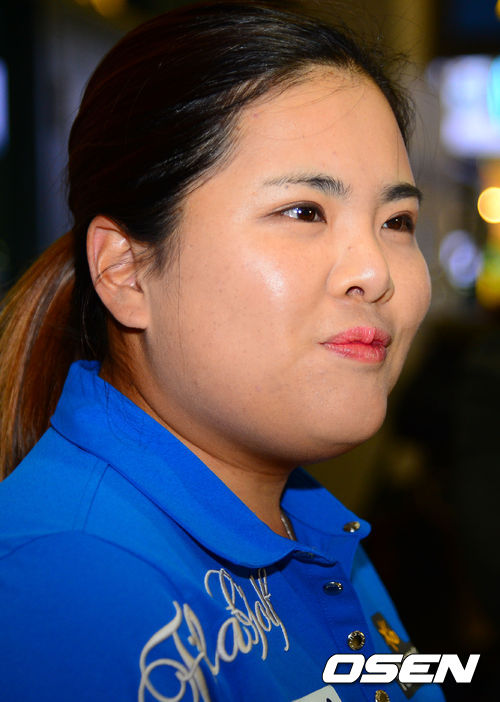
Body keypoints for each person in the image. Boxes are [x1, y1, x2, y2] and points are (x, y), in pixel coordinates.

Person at [0, 2, 443, 700]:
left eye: (397, 220)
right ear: (126, 271)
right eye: (303, 211)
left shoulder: (310, 525)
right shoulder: (71, 578)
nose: (375, 271)